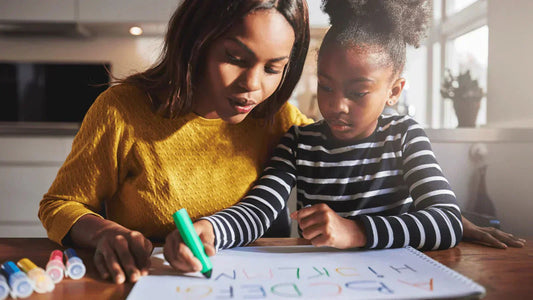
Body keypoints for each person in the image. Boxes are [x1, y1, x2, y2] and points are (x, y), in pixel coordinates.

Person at [165, 0, 529, 274]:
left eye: (357, 93)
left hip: (399, 279)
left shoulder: (403, 136)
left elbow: (446, 221)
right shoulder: (299, 142)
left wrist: (355, 232)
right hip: (322, 281)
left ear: (394, 91)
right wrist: (213, 229)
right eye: (325, 86)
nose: (336, 105)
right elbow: (259, 210)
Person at [38, 0, 312, 284]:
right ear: (197, 42)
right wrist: (104, 233)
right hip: (152, 280)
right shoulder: (121, 110)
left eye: (273, 69)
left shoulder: (279, 119)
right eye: (236, 59)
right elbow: (60, 204)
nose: (253, 85)